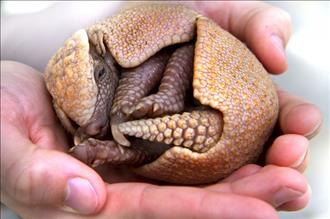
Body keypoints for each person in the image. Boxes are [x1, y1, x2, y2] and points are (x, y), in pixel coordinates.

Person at [0, 1, 322, 218]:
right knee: (142, 143)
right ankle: (121, 146)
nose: (92, 126)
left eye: (99, 76)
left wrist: (151, 101)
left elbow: (172, 55)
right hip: (154, 142)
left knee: (160, 83)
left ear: (103, 64)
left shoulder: (136, 40)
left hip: (226, 96)